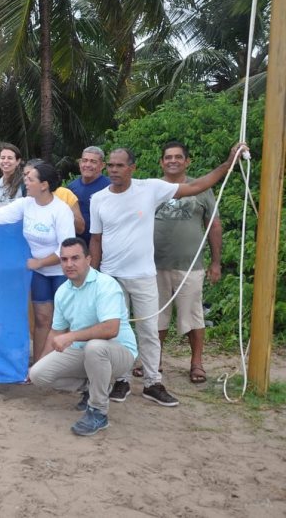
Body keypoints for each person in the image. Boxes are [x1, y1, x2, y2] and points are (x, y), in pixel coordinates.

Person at [90, 144, 244, 407]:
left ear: (132, 168)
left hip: (143, 275)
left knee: (149, 330)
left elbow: (196, 187)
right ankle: (121, 379)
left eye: (119, 165)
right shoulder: (99, 198)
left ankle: (152, 382)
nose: (114, 170)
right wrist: (94, 274)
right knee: (117, 331)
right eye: (111, 166)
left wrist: (228, 163)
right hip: (111, 276)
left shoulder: (149, 188)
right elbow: (96, 239)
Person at [0, 163, 75, 361]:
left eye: (30, 178)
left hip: (61, 272)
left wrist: (40, 262)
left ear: (44, 185)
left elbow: (66, 249)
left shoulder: (61, 210)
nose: (25, 181)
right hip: (39, 272)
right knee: (42, 318)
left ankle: (59, 365)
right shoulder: (26, 204)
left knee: (62, 321)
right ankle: (39, 363)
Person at [29, 238, 137, 436]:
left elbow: (110, 329)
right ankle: (94, 385)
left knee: (95, 347)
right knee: (38, 374)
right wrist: (40, 362)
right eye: (64, 259)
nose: (69, 264)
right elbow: (56, 333)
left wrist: (71, 336)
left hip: (119, 352)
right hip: (85, 352)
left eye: (75, 258)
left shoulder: (106, 285)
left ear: (88, 259)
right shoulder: (62, 292)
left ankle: (98, 412)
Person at [154, 141, 222, 384]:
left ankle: (196, 364)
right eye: (168, 157)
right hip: (154, 266)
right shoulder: (152, 188)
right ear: (161, 162)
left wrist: (216, 262)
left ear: (187, 161)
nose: (173, 160)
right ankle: (154, 362)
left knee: (193, 317)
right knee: (155, 317)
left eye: (178, 157)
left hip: (190, 265)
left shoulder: (201, 189)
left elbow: (213, 225)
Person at [23, 159, 85, 234]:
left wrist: (63, 213)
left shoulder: (64, 194)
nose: (26, 179)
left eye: (29, 175)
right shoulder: (28, 197)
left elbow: (80, 228)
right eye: (24, 175)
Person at [68, 146, 110, 246]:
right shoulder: (71, 188)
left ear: (102, 165)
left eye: (93, 162)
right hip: (78, 246)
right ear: (79, 163)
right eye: (84, 160)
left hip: (103, 245)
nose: (87, 165)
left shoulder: (110, 187)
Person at [0, 143, 23, 207]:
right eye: (2, 158)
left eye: (10, 158)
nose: (5, 161)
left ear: (18, 161)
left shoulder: (24, 184)